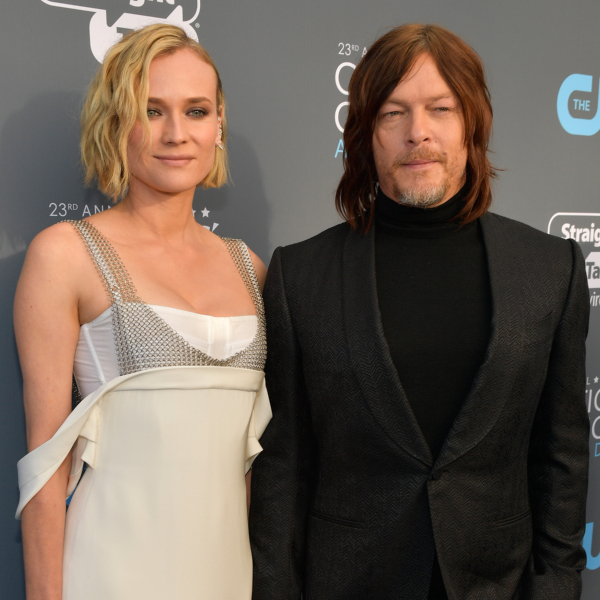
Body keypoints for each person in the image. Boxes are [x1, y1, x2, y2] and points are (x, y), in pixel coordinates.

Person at [249, 23, 589, 600]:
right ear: (365, 133)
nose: (418, 132)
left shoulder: (550, 268)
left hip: (498, 584)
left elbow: (562, 457)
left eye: (441, 108)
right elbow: (284, 468)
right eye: (393, 113)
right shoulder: (298, 276)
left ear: (472, 124)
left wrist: (555, 588)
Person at [14, 24, 271, 600]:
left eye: (196, 111)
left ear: (219, 124)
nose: (176, 133)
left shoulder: (251, 268)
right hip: (108, 572)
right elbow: (45, 464)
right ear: (115, 123)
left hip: (227, 575)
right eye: (151, 111)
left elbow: (254, 466)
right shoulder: (65, 255)